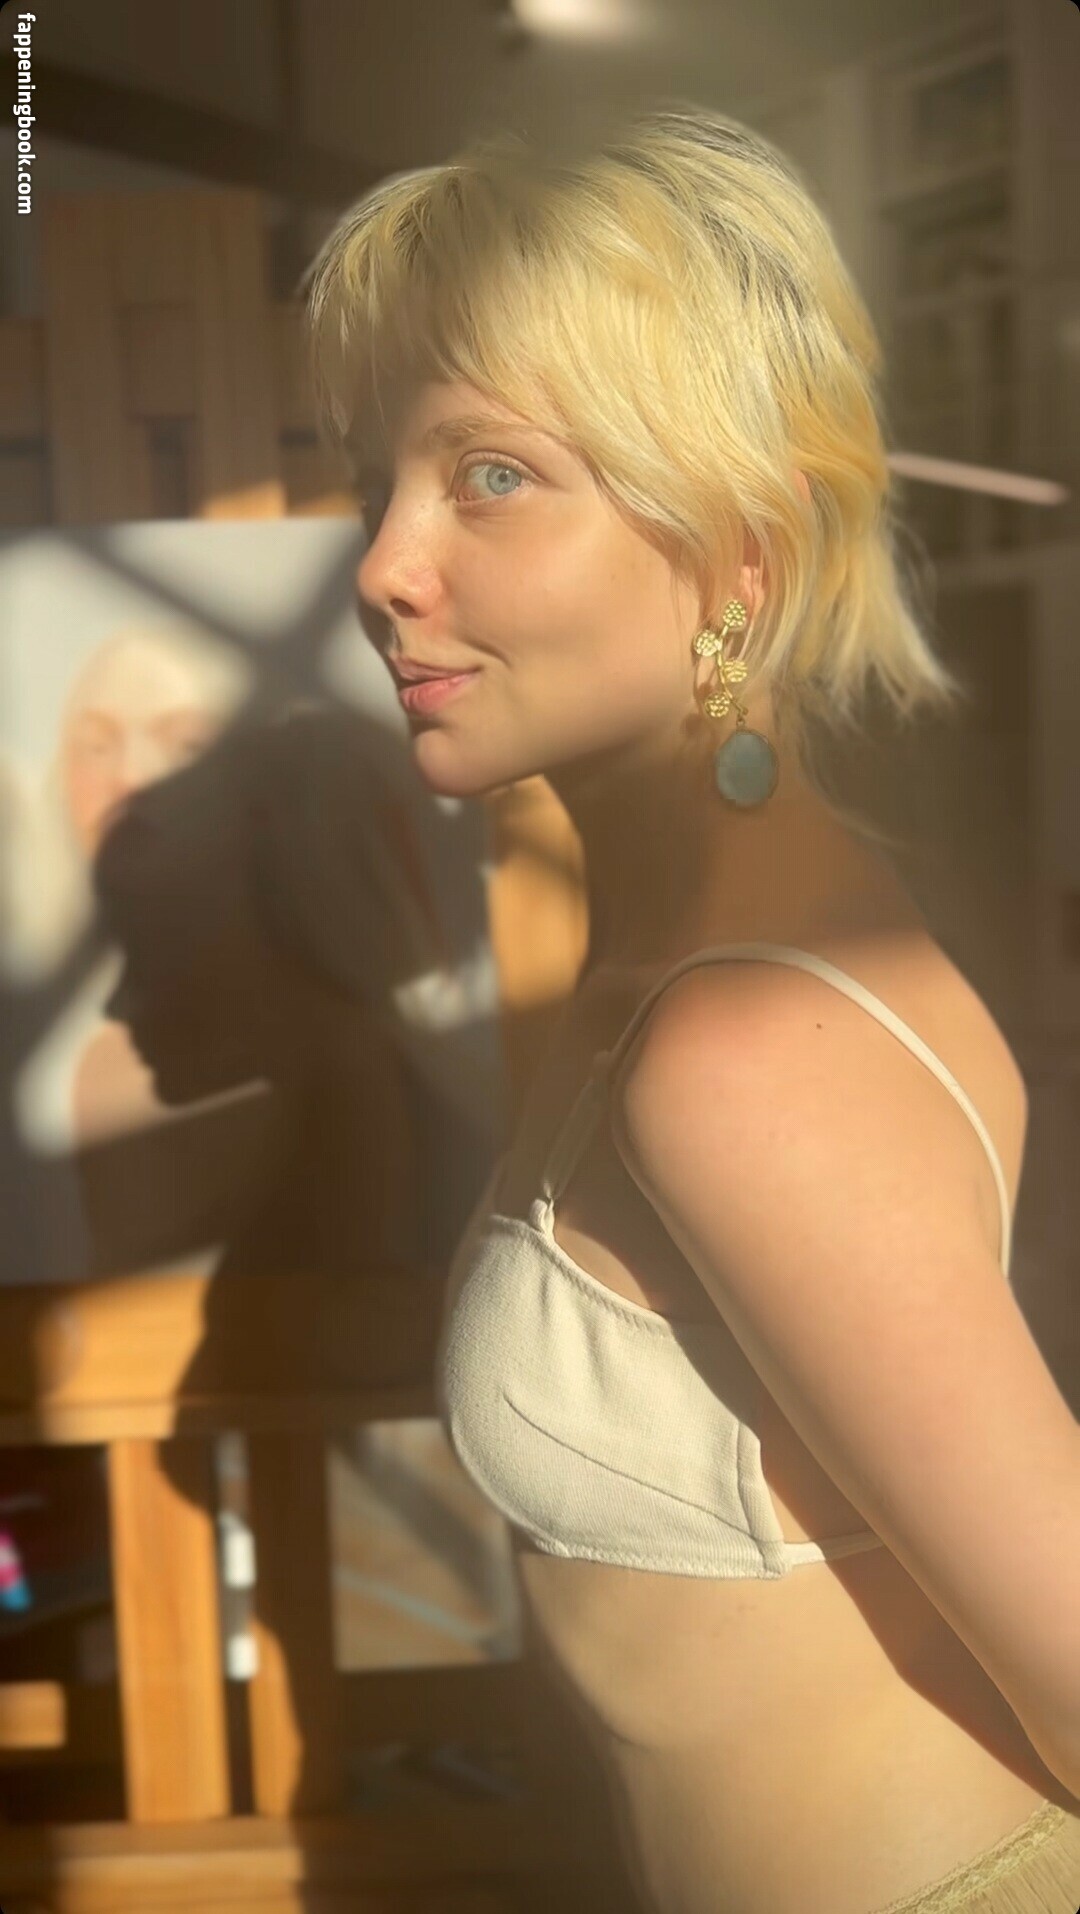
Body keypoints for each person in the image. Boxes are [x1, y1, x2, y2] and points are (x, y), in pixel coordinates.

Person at [302, 105, 1080, 1912]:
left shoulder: (740, 1051)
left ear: (742, 551)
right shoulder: (695, 958)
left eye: (491, 476)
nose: (383, 563)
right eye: (377, 477)